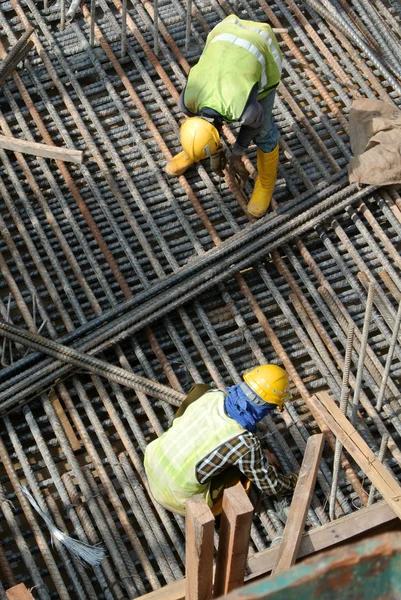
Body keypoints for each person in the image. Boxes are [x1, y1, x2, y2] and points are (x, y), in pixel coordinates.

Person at [165, 15, 283, 218]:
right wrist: (206, 145)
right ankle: (195, 151)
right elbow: (199, 122)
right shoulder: (186, 101)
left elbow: (254, 124)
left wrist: (237, 153)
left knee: (264, 133)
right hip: (224, 33)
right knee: (202, 131)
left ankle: (266, 183)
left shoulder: (242, 109)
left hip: (261, 47)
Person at [144, 364, 298, 516]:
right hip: (177, 499)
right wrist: (294, 479)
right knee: (243, 466)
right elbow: (271, 486)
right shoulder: (245, 444)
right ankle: (218, 514)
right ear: (266, 407)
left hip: (151, 462)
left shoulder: (210, 394)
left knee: (198, 395)